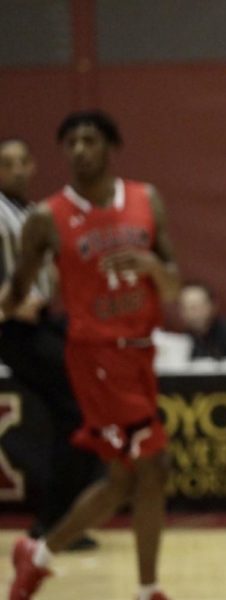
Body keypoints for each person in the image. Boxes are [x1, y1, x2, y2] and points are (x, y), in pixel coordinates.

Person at [1, 111, 180, 600]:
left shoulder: (146, 201)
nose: (79, 150)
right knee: (155, 466)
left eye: (90, 140)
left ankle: (37, 554)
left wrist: (149, 266)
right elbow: (16, 290)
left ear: (110, 146)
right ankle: (149, 590)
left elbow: (172, 284)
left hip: (141, 352)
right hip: (96, 355)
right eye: (71, 142)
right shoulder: (46, 218)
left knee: (124, 480)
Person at [0, 138, 102, 551]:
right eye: (8, 163)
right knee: (78, 412)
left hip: (42, 322)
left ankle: (62, 518)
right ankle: (53, 524)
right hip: (14, 328)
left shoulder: (29, 211)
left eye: (25, 161)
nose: (20, 169)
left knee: (80, 411)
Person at [176, 281, 226, 359]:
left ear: (212, 306)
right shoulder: (181, 342)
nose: (193, 314)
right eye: (187, 308)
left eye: (197, 307)